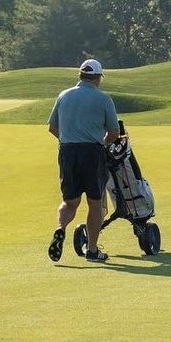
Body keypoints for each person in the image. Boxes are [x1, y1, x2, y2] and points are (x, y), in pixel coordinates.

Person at [46, 58, 120, 263]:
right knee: (95, 204)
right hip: (92, 153)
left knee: (70, 202)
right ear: (97, 77)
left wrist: (69, 139)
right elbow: (114, 132)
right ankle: (93, 251)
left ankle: (60, 229)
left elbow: (52, 127)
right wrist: (103, 144)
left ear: (80, 75)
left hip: (67, 152)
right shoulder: (103, 99)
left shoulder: (64, 96)